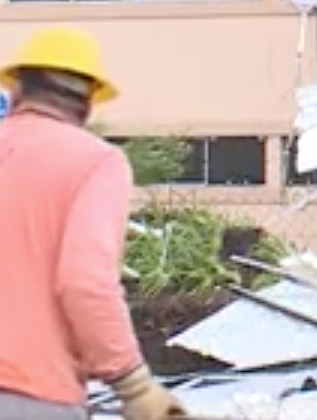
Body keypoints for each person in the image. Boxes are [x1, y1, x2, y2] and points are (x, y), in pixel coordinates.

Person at [0, 27, 185, 420]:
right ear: (86, 104)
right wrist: (134, 386)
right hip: (29, 393)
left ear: (17, 90)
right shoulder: (95, 162)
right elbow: (84, 282)